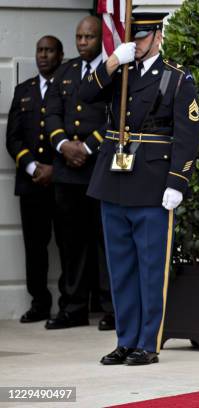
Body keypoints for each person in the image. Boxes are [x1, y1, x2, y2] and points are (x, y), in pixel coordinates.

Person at [79, 12, 199, 365]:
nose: (136, 43)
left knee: (150, 268)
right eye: (131, 37)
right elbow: (87, 94)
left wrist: (177, 181)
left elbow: (187, 137)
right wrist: (114, 60)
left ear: (158, 36)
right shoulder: (120, 72)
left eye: (143, 37)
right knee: (120, 268)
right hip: (113, 181)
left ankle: (148, 342)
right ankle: (125, 339)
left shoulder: (177, 79)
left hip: (151, 184)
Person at [44, 16, 114, 330]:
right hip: (66, 172)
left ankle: (109, 307)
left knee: (103, 243)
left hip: (97, 168)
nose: (82, 42)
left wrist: (86, 148)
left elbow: (114, 117)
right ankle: (73, 308)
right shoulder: (66, 70)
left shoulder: (111, 71)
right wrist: (62, 145)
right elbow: (52, 112)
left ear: (101, 39)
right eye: (79, 37)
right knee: (70, 243)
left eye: (89, 37)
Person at [5, 36, 64, 323]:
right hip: (32, 184)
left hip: (63, 181)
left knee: (69, 244)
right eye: (39, 50)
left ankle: (71, 303)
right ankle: (39, 302)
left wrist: (55, 168)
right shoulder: (23, 90)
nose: (43, 56)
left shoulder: (69, 88)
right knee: (35, 246)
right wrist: (32, 167)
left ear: (60, 55)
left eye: (49, 50)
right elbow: (12, 138)